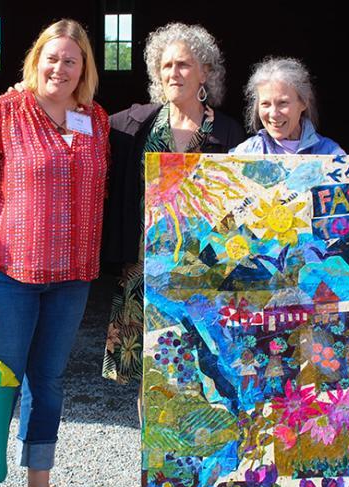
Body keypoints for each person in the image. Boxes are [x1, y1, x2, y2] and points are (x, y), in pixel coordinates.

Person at [0, 18, 109, 487]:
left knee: (49, 381)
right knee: (0, 381)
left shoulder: (96, 119)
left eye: (71, 59)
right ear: (35, 59)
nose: (59, 68)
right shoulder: (3, 112)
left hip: (72, 275)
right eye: (52, 57)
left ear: (83, 67)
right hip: (10, 274)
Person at [100, 22, 245, 384]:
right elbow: (76, 117)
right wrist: (29, 92)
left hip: (204, 272)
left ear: (205, 72)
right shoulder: (134, 125)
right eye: (166, 65)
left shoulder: (228, 133)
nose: (173, 73)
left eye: (183, 64)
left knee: (200, 373)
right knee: (150, 375)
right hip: (143, 270)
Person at [230, 57, 345, 155]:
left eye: (283, 103)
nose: (274, 114)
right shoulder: (246, 153)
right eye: (265, 104)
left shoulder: (330, 153)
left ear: (304, 102)